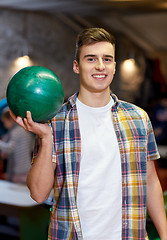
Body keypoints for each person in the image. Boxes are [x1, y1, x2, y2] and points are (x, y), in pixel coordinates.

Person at [10, 28, 167, 240]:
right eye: (91, 59)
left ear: (113, 67)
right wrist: (46, 139)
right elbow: (38, 194)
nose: (100, 66)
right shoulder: (55, 121)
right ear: (76, 66)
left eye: (107, 59)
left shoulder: (138, 118)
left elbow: (150, 180)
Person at [0, 107, 35, 183]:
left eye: (4, 122)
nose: (4, 125)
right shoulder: (24, 129)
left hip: (19, 168)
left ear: (10, 119)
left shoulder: (15, 131)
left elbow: (9, 149)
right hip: (27, 166)